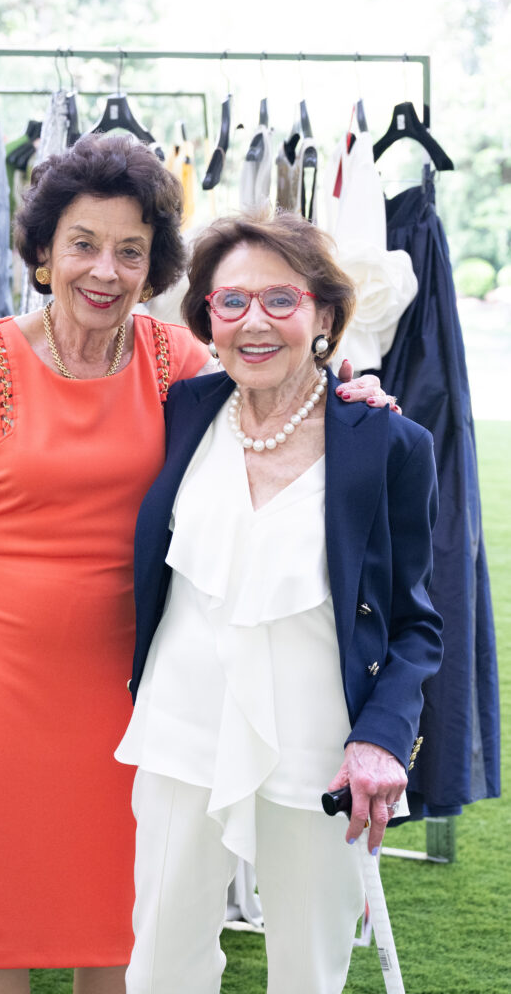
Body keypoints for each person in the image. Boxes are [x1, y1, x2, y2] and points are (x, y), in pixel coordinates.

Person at [0, 134, 395, 994]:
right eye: (83, 244)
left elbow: (276, 399)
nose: (105, 269)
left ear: (154, 265)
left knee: (125, 923)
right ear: (44, 253)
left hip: (137, 695)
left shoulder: (182, 362)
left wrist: (349, 392)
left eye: (130, 251)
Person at [115, 213, 444, 994]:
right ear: (206, 319)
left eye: (280, 300)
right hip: (179, 728)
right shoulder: (180, 413)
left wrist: (381, 739)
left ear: (324, 315)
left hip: (317, 745)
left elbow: (415, 622)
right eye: (229, 303)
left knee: (307, 969)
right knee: (160, 961)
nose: (252, 322)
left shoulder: (388, 444)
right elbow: (84, 487)